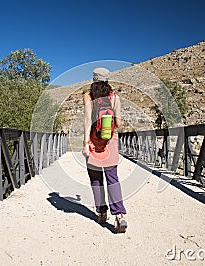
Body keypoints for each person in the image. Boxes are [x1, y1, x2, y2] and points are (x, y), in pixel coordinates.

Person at [82, 67, 127, 233]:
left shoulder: (88, 96)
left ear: (93, 79)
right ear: (107, 79)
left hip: (93, 141)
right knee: (112, 178)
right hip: (110, 141)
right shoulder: (114, 97)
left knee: (96, 178)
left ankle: (102, 212)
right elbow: (119, 124)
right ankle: (120, 215)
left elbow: (87, 120)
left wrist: (86, 143)